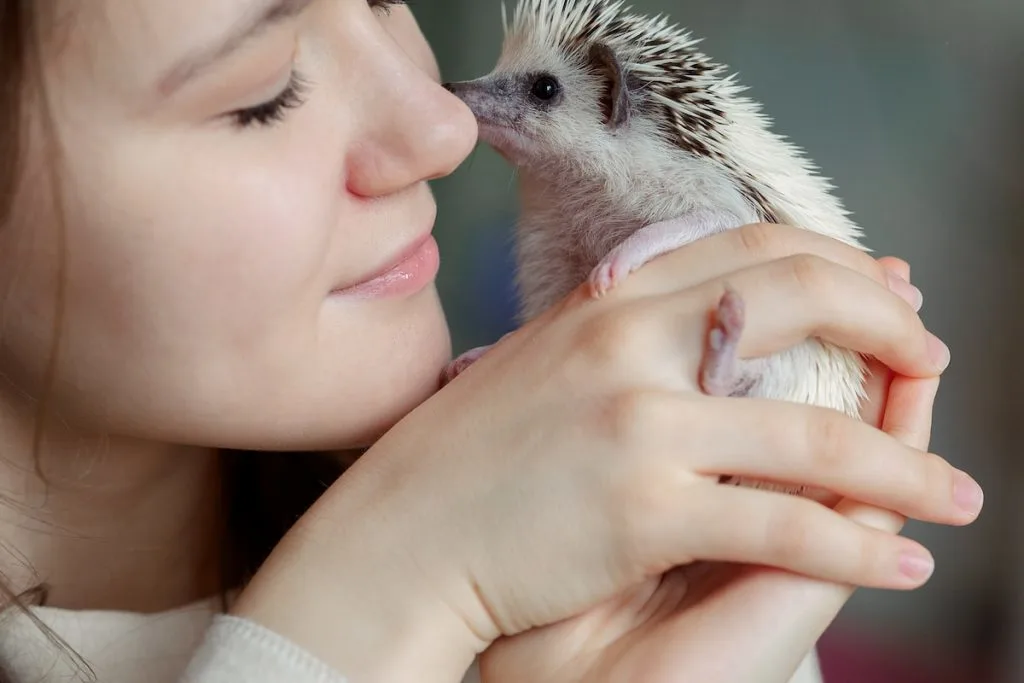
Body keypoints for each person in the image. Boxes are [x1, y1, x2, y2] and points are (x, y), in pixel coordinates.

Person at [0, 1, 983, 682]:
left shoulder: (605, 538)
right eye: (263, 90)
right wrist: (388, 584)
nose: (439, 121)